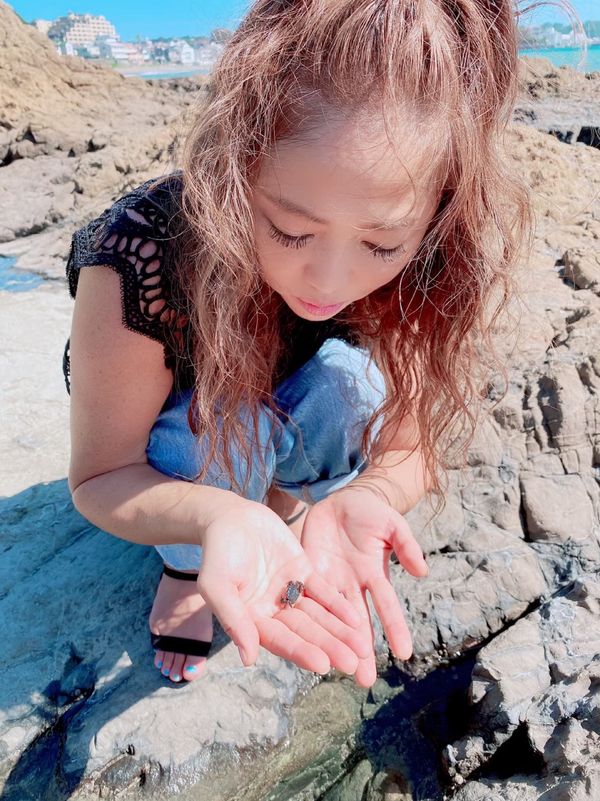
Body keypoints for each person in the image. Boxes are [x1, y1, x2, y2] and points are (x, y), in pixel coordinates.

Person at [64, 0, 537, 689]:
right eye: (290, 230)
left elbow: (412, 447)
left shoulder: (432, 254)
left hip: (290, 394)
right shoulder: (140, 256)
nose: (332, 281)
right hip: (182, 418)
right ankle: (188, 560)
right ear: (235, 171)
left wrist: (371, 493)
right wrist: (217, 514)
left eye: (381, 244)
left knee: (355, 385)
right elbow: (100, 477)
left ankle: (278, 509)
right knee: (223, 433)